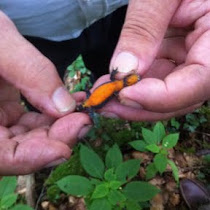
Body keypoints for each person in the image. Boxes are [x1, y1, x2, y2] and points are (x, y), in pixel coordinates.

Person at [0, 0, 209, 175]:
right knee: (46, 90)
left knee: (103, 67)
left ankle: (75, 107)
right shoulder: (117, 85)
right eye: (131, 79)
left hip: (119, 12)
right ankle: (46, 112)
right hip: (36, 32)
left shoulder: (117, 83)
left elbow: (114, 82)